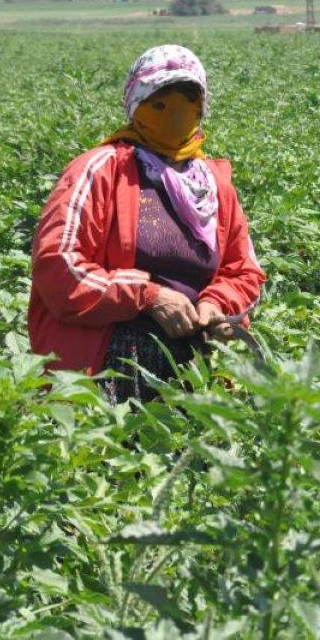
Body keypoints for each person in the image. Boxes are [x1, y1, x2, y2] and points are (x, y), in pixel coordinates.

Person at [28, 45, 265, 403]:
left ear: (202, 108)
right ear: (135, 102)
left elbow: (243, 271)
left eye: (188, 101)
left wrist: (216, 305)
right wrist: (147, 296)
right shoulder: (100, 170)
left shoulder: (213, 185)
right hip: (103, 371)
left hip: (193, 369)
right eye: (159, 101)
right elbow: (57, 265)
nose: (174, 114)